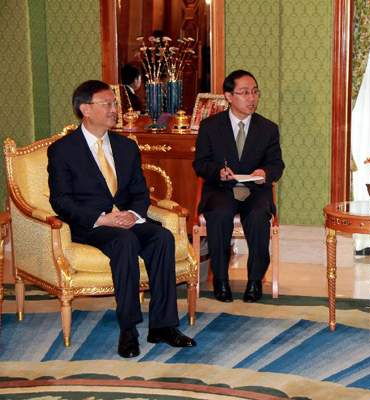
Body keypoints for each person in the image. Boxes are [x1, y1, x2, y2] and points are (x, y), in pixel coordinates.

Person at [47, 80, 196, 358]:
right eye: (108, 104)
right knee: (125, 242)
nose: (115, 109)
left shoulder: (126, 146)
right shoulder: (63, 150)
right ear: (85, 109)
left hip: (127, 220)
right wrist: (102, 219)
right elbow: (61, 200)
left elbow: (140, 193)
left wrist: (133, 214)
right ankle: (129, 328)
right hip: (91, 225)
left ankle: (163, 326)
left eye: (115, 104)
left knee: (162, 237)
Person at [193, 70, 285, 303]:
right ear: (229, 96)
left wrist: (264, 173)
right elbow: (200, 164)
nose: (251, 98)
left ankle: (255, 282)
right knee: (220, 213)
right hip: (221, 189)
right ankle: (220, 281)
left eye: (255, 92)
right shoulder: (210, 126)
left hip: (255, 191)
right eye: (244, 93)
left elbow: (276, 163)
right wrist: (219, 172)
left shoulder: (268, 128)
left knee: (257, 215)